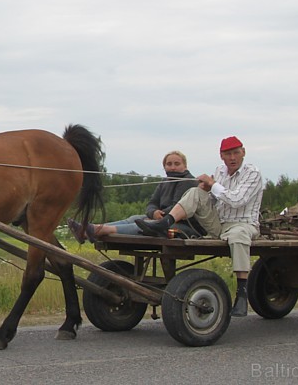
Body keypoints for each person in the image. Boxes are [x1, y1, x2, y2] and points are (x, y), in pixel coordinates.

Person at [136, 136, 263, 317]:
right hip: (219, 223)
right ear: (221, 156)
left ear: (243, 152)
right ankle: (166, 223)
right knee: (194, 191)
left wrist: (213, 184)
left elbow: (237, 200)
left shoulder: (253, 173)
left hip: (243, 223)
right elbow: (213, 199)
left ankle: (242, 295)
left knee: (238, 237)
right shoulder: (220, 171)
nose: (232, 158)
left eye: (236, 153)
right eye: (228, 154)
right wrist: (205, 189)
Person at [68, 151, 201, 243]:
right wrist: (153, 212)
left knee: (145, 223)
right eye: (169, 164)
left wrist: (159, 215)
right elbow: (152, 203)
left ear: (185, 166)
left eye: (177, 164)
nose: (172, 167)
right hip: (161, 219)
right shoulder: (164, 181)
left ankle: (98, 230)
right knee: (134, 218)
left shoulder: (188, 181)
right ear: (164, 166)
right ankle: (91, 228)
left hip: (182, 225)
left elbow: (178, 206)